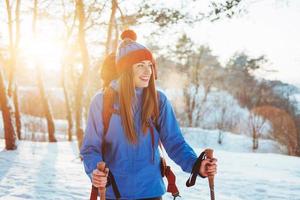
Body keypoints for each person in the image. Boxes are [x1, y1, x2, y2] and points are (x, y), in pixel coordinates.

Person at [80, 30, 217, 200]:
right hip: (114, 192)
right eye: (140, 65)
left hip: (151, 192)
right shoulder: (102, 101)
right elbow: (90, 148)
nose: (148, 71)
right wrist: (95, 170)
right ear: (126, 70)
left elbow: (174, 142)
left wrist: (197, 165)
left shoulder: (158, 100)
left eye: (149, 65)